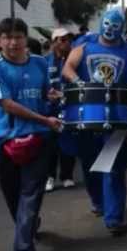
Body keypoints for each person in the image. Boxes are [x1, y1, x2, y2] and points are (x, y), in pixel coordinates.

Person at [62, 7, 127, 236]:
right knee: (89, 165)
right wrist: (80, 82)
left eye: (116, 26)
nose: (110, 29)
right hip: (86, 115)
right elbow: (68, 67)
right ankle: (98, 202)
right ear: (101, 23)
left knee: (113, 168)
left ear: (122, 28)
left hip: (117, 117)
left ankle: (114, 218)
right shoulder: (85, 45)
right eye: (107, 24)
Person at [0, 18, 61, 251]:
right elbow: (7, 104)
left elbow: (46, 91)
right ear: (0, 41)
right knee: (14, 199)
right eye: (7, 37)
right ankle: (29, 226)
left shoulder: (39, 63)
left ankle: (23, 245)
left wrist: (51, 96)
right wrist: (44, 119)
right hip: (5, 142)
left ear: (25, 39)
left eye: (18, 37)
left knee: (30, 195)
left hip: (38, 139)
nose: (12, 42)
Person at [45, 28, 76, 192]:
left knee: (68, 144)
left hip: (68, 109)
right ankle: (49, 177)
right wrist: (48, 94)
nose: (66, 43)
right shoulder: (45, 61)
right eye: (62, 40)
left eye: (68, 40)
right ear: (54, 42)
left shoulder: (74, 59)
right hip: (50, 110)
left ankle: (67, 176)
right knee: (50, 146)